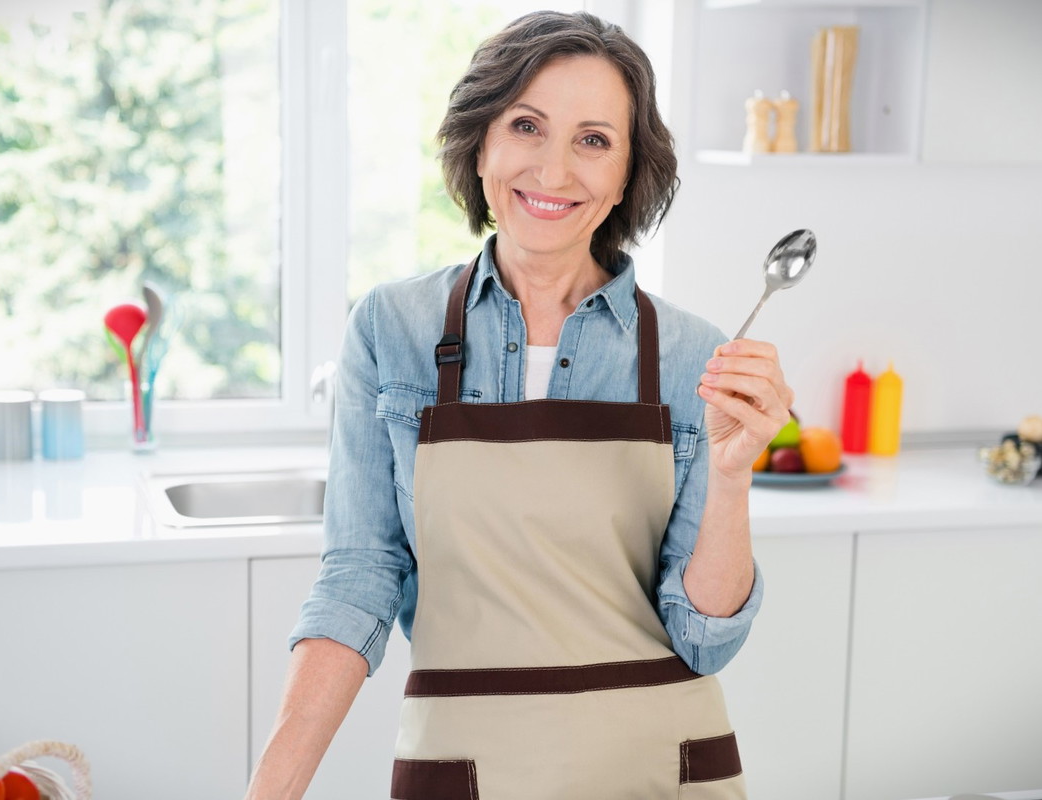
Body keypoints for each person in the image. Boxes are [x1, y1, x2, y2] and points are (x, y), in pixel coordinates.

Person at [245, 10, 793, 800]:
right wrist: (270, 791)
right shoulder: (392, 330)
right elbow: (361, 576)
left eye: (594, 140)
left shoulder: (690, 355)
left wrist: (734, 476)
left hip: (660, 768)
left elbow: (704, 638)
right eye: (527, 125)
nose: (554, 169)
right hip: (464, 770)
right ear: (481, 141)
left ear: (628, 172)